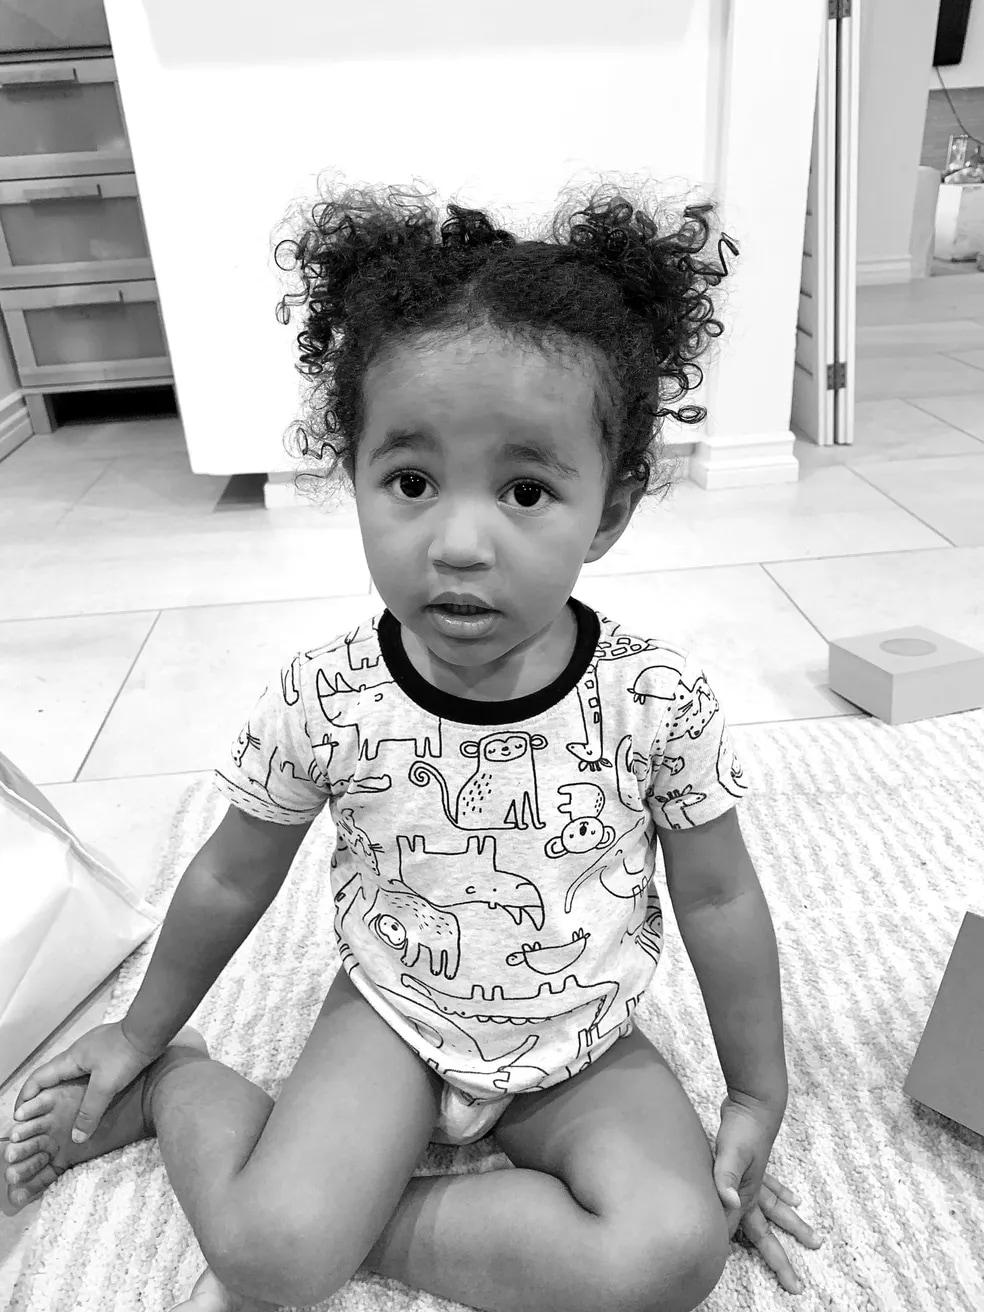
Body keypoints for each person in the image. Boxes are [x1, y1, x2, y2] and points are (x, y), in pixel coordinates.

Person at [4, 176, 822, 1312]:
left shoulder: (656, 699)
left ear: (611, 508)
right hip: (390, 1019)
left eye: (526, 488)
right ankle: (178, 1096)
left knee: (676, 1249)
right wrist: (142, 1037)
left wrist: (756, 1094)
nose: (460, 541)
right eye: (412, 481)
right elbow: (232, 872)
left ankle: (359, 1222)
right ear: (353, 477)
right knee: (272, 1256)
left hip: (579, 1038)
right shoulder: (328, 695)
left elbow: (722, 898)